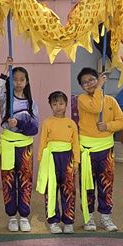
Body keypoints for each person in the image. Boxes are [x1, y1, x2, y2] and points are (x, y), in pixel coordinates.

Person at [73, 68, 123, 231]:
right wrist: (99, 88)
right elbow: (96, 107)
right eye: (85, 82)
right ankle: (88, 217)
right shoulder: (82, 99)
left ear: (98, 78)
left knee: (106, 184)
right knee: (87, 185)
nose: (89, 84)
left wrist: (108, 126)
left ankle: (105, 216)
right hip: (87, 149)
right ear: (81, 86)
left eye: (92, 80)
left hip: (106, 149)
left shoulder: (111, 100)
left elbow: (122, 121)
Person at [0, 62, 38, 232]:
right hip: (8, 145)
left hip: (25, 146)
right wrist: (6, 69)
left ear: (27, 82)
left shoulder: (31, 103)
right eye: (15, 79)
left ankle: (24, 216)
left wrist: (19, 122)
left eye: (22, 79)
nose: (18, 83)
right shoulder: (5, 100)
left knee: (25, 181)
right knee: (8, 181)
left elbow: (34, 128)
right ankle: (12, 216)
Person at [36, 91, 80, 234]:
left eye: (61, 103)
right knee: (51, 189)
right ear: (50, 106)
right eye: (55, 104)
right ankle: (53, 221)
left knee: (68, 189)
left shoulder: (71, 123)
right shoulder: (47, 122)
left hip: (67, 158)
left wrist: (76, 162)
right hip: (50, 159)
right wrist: (41, 161)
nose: (58, 107)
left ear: (66, 104)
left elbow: (76, 144)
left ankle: (68, 221)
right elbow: (42, 142)